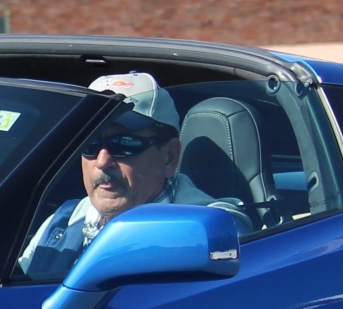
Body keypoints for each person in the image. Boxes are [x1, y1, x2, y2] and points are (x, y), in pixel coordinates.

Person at [17, 73, 216, 283]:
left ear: (169, 156)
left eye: (124, 143)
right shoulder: (62, 221)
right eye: (89, 144)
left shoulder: (211, 231)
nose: (102, 161)